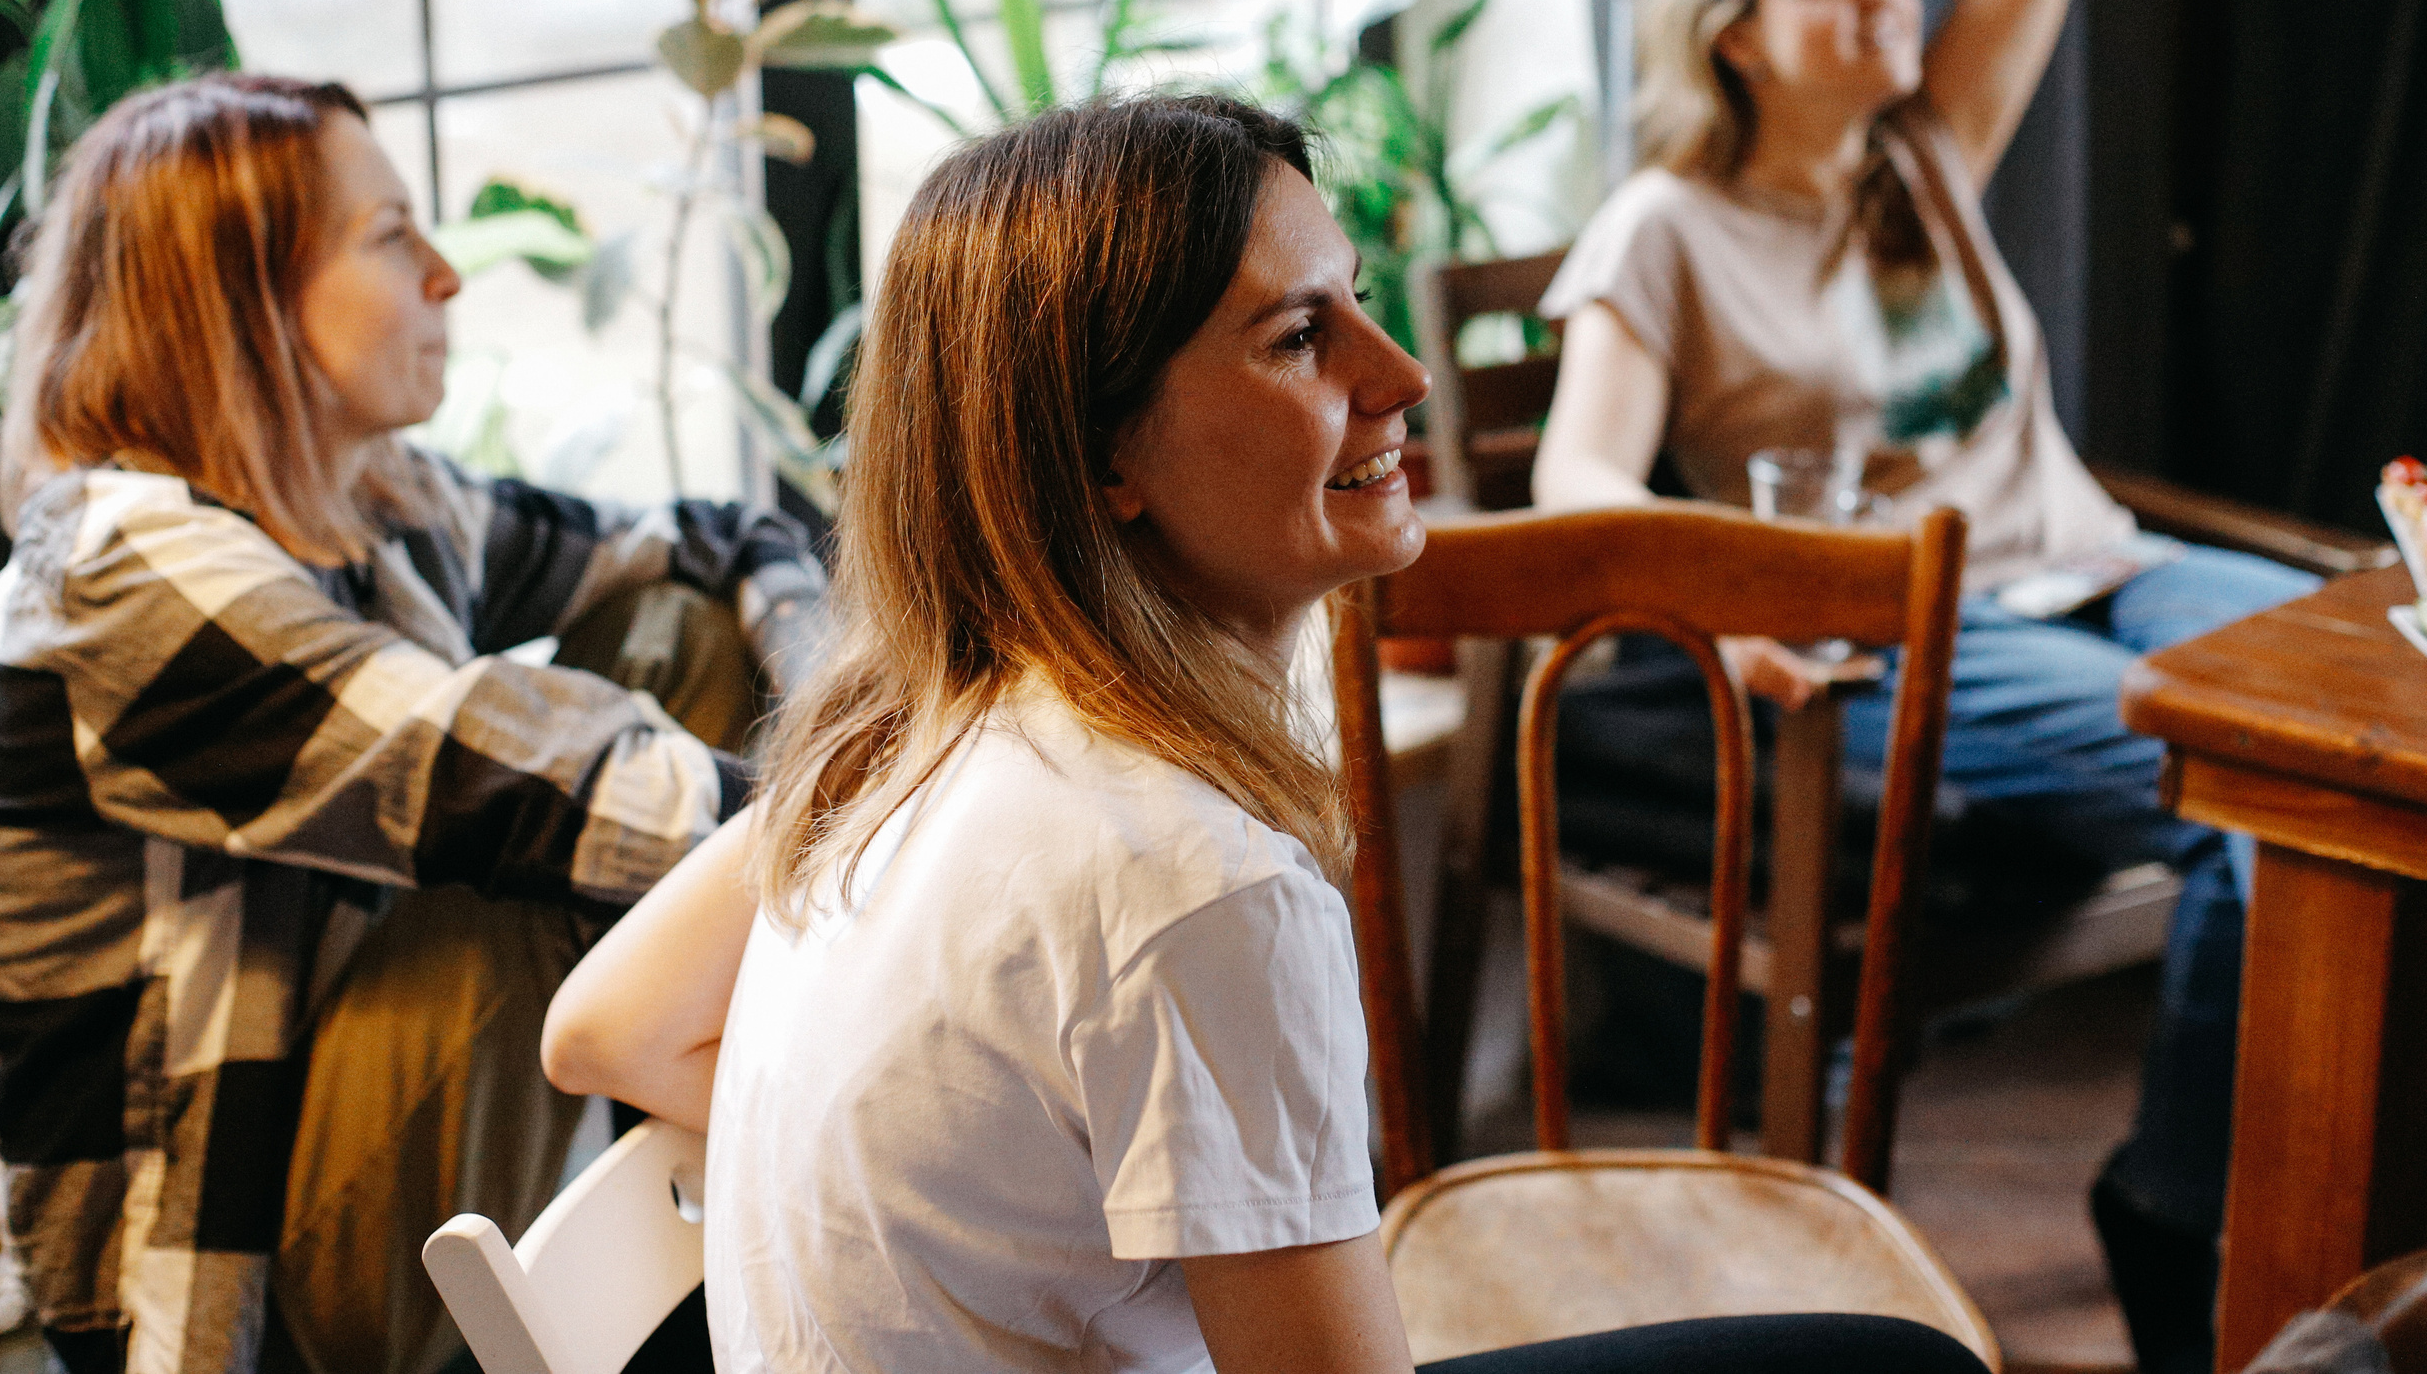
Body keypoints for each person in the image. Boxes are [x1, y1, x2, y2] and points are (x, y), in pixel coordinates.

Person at [542, 94, 1989, 1374]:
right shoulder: (1191, 881)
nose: (1403, 374)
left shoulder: (910, 729)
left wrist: (962, 1190)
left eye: (1355, 301)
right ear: (1104, 454)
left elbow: (602, 1028)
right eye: (1303, 336)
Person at [1529, 0, 2313, 1374]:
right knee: (2263, 805)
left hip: (2099, 562)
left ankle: (2316, 1165)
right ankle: (2184, 1199)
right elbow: (1578, 475)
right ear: (1733, 33)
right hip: (1906, 625)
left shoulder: (1925, 153)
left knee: (2379, 714)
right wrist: (1726, 603)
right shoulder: (1665, 226)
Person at [0, 73, 824, 1374]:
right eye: (394, 236)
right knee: (517, 889)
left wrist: (834, 694)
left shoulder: (369, 498)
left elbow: (712, 543)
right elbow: (523, 787)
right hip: (217, 1284)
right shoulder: (119, 576)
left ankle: (768, 1111)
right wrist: (905, 821)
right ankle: (823, 1079)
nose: (448, 276)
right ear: (240, 301)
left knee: (677, 631)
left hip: (343, 1128)